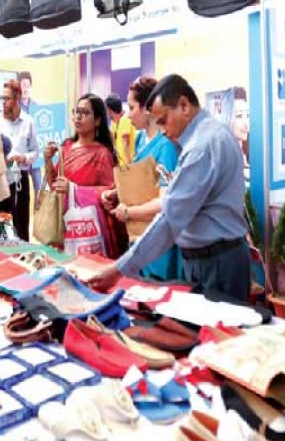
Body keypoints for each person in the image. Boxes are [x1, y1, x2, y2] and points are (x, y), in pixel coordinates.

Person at [89, 74, 250, 300]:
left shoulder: (201, 147)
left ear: (184, 105)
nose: (162, 130)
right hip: (207, 258)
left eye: (164, 120)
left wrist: (119, 269)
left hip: (216, 262)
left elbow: (170, 216)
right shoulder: (206, 136)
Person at [102, 77, 182, 281]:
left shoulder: (166, 147)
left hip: (158, 241)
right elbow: (142, 182)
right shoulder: (140, 140)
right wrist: (117, 193)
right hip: (138, 236)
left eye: (132, 107)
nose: (128, 114)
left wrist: (129, 213)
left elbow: (165, 202)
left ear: (148, 109)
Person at [44, 93, 128, 259]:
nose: (78, 116)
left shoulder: (102, 154)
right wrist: (47, 160)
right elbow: (54, 185)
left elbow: (111, 193)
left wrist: (74, 190)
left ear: (97, 121)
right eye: (76, 111)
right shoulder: (67, 148)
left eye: (85, 112)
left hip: (90, 227)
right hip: (64, 223)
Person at [0, 79, 39, 241]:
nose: (3, 102)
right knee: (4, 227)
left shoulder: (28, 122)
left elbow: (36, 152)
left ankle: (24, 255)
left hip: (21, 180)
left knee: (21, 226)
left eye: (6, 98)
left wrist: (24, 158)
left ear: (17, 99)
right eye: (2, 98)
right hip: (2, 180)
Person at [106, 94, 137, 166]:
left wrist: (130, 165)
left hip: (127, 164)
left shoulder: (125, 119)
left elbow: (125, 144)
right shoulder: (114, 122)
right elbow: (113, 141)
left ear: (110, 110)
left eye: (107, 109)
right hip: (120, 164)